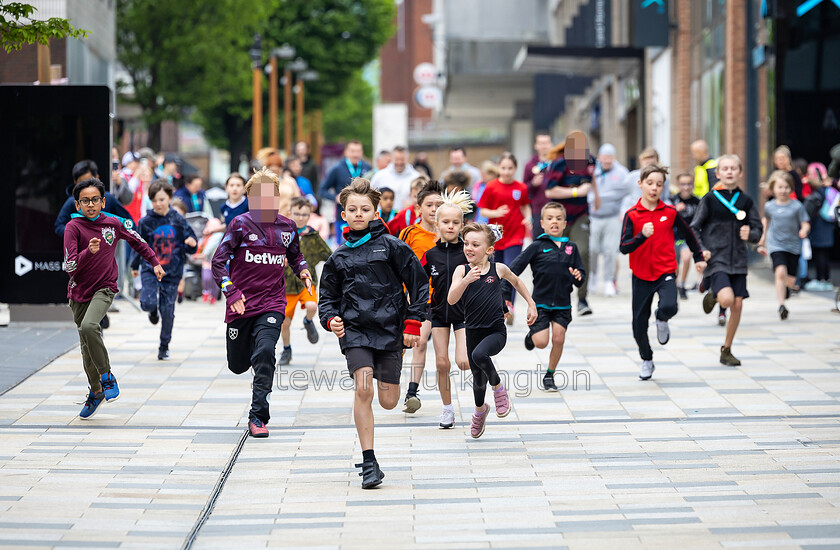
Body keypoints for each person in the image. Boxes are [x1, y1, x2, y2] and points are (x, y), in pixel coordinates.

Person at [318, 178, 428, 489]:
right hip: (355, 331)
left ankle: (371, 452)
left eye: (364, 209)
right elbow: (326, 297)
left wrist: (413, 324)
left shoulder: (393, 247)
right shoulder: (338, 257)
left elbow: (420, 285)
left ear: (375, 213)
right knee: (363, 389)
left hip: (391, 329)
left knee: (390, 401)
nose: (358, 214)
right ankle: (369, 462)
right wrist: (330, 320)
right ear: (343, 215)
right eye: (352, 209)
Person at [211, 167, 313, 438]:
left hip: (272, 302)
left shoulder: (288, 226)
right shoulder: (240, 224)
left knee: (266, 351)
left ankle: (258, 416)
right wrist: (231, 292)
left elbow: (295, 255)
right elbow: (218, 262)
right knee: (238, 365)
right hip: (240, 305)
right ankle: (248, 361)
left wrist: (302, 269)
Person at [63, 178, 164, 419]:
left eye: (95, 200)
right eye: (85, 201)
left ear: (103, 201)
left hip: (105, 288)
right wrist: (89, 252)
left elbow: (137, 240)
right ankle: (96, 391)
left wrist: (154, 262)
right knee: (86, 347)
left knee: (89, 327)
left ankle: (107, 376)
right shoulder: (73, 227)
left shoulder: (112, 223)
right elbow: (70, 266)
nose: (90, 205)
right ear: (77, 204)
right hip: (78, 292)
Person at [447, 223, 537, 439]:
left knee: (479, 356)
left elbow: (516, 282)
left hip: (496, 331)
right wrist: (466, 280)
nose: (468, 248)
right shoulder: (462, 270)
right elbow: (451, 299)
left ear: (489, 250)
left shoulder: (498, 269)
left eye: (475, 244)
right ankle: (480, 411)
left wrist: (531, 304)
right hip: (473, 331)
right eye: (466, 243)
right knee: (478, 379)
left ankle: (498, 388)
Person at [620, 164, 707, 380]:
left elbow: (689, 235)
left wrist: (698, 257)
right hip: (640, 274)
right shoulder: (631, 215)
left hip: (665, 270)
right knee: (638, 325)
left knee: (670, 306)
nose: (654, 188)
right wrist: (641, 236)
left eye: (659, 184)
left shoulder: (670, 213)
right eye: (650, 183)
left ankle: (661, 318)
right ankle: (647, 359)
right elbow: (624, 247)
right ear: (640, 184)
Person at [691, 154, 762, 367]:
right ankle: (714, 294)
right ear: (718, 173)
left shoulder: (746, 201)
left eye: (734, 168)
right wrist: (701, 250)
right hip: (717, 258)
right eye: (726, 168)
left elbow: (758, 229)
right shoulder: (710, 200)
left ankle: (727, 349)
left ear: (740, 173)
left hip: (738, 260)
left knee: (737, 305)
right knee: (728, 300)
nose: (730, 171)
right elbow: (694, 227)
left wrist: (750, 234)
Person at [506, 202, 585, 391]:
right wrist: (504, 290)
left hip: (562, 304)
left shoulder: (571, 247)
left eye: (559, 218)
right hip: (540, 303)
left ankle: (550, 375)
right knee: (541, 343)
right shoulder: (537, 246)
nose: (554, 222)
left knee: (558, 339)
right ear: (542, 223)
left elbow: (580, 277)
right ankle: (531, 337)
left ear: (565, 223)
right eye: (550, 218)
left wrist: (579, 276)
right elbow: (514, 269)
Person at [422, 190, 473, 428]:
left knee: (463, 361)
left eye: (455, 222)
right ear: (436, 223)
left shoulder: (469, 252)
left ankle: (484, 387)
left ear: (462, 225)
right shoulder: (429, 255)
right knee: (442, 363)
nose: (450, 226)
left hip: (464, 314)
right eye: (446, 222)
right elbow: (418, 286)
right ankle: (447, 410)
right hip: (438, 314)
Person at [130, 180, 198, 360]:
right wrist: (134, 265)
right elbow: (138, 244)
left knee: (168, 310)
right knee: (147, 303)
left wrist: (191, 244)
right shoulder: (145, 222)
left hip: (172, 271)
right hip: (150, 268)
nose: (158, 204)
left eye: (162, 199)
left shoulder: (178, 219)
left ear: (169, 197)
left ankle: (164, 345)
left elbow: (191, 241)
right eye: (154, 200)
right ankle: (152, 311)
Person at [399, 180, 444, 413]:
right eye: (429, 204)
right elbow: (397, 266)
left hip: (448, 300)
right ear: (419, 208)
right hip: (420, 300)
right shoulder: (409, 233)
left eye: (439, 204)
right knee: (419, 343)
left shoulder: (451, 233)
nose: (434, 209)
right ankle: (411, 393)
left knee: (446, 359)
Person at [544, 130, 598, 316]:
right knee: (557, 257)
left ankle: (582, 299)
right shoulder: (559, 164)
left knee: (582, 252)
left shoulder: (590, 161)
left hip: (581, 215)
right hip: (560, 217)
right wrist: (576, 192)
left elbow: (592, 181)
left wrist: (596, 197)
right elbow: (550, 192)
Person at [277, 197, 333, 366]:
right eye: (297, 214)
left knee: (312, 306)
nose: (300, 217)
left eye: (304, 214)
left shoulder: (313, 236)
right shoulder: (280, 234)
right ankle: (286, 349)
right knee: (284, 322)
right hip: (285, 285)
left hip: (306, 282)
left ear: (310, 215)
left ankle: (308, 321)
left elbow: (329, 256)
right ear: (289, 213)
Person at [477, 152, 531, 324]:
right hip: (496, 237)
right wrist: (496, 213)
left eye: (510, 168)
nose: (506, 172)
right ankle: (497, 306)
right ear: (498, 168)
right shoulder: (491, 186)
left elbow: (525, 206)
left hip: (515, 234)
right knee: (495, 271)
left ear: (515, 169)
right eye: (503, 168)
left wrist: (528, 217)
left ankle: (509, 305)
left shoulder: (521, 187)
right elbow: (483, 210)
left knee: (511, 269)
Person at [757, 171, 810, 319]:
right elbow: (765, 222)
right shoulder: (769, 206)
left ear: (791, 188)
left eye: (786, 187)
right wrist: (762, 239)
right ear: (773, 189)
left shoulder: (797, 206)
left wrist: (804, 230)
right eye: (780, 187)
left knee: (791, 280)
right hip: (776, 245)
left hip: (793, 245)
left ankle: (786, 290)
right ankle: (781, 305)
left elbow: (805, 222)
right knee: (780, 272)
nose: (783, 190)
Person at [589, 143, 630, 297]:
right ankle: (592, 277)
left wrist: (623, 211)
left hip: (613, 216)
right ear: (599, 157)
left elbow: (627, 194)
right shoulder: (593, 170)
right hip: (594, 216)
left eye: (609, 157)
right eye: (604, 157)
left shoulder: (621, 173)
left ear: (614, 158)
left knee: (610, 250)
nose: (606, 161)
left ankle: (608, 281)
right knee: (592, 249)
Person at [319, 140, 371, 244]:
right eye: (352, 151)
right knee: (343, 247)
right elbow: (322, 190)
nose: (355, 154)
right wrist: (335, 197)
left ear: (362, 152)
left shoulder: (367, 168)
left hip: (364, 216)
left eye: (358, 151)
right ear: (346, 152)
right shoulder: (337, 169)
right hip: (342, 217)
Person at [803, 164, 837, 291]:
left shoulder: (820, 191)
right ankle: (825, 279)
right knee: (823, 254)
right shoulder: (828, 189)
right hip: (827, 225)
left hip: (821, 225)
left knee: (820, 254)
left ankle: (821, 279)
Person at [671, 173, 702, 299]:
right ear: (678, 185)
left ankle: (682, 284)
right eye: (683, 184)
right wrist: (674, 210)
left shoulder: (697, 202)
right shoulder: (672, 200)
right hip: (673, 238)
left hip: (688, 238)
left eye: (689, 184)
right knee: (674, 265)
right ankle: (675, 285)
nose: (686, 187)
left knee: (686, 257)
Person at [523, 133, 554, 238]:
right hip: (537, 210)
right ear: (536, 146)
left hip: (555, 208)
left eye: (546, 143)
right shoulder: (530, 165)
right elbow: (524, 189)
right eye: (541, 143)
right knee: (539, 243)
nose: (543, 146)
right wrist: (533, 184)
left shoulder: (557, 163)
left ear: (551, 145)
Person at [371, 146, 420, 210]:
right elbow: (371, 197)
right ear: (391, 158)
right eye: (397, 159)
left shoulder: (416, 177)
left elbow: (423, 199)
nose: (399, 163)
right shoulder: (379, 176)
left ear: (407, 158)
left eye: (402, 159)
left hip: (408, 217)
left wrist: (413, 204)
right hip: (384, 218)